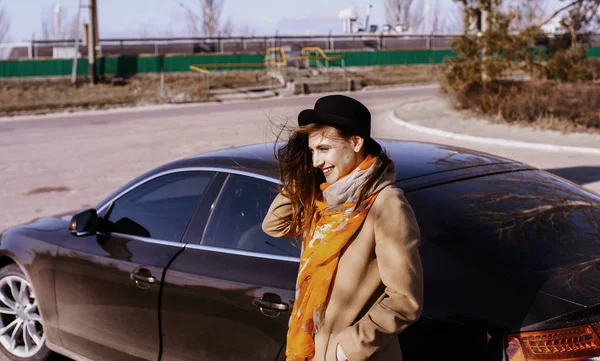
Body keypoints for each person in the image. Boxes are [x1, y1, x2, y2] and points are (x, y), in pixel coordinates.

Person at [262, 94, 424, 361]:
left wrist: (346, 350)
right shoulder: (325, 200)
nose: (316, 161)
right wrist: (303, 176)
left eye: (324, 149)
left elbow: (405, 300)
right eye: (312, 151)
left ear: (356, 142)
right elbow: (275, 224)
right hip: (313, 350)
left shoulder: (386, 205)